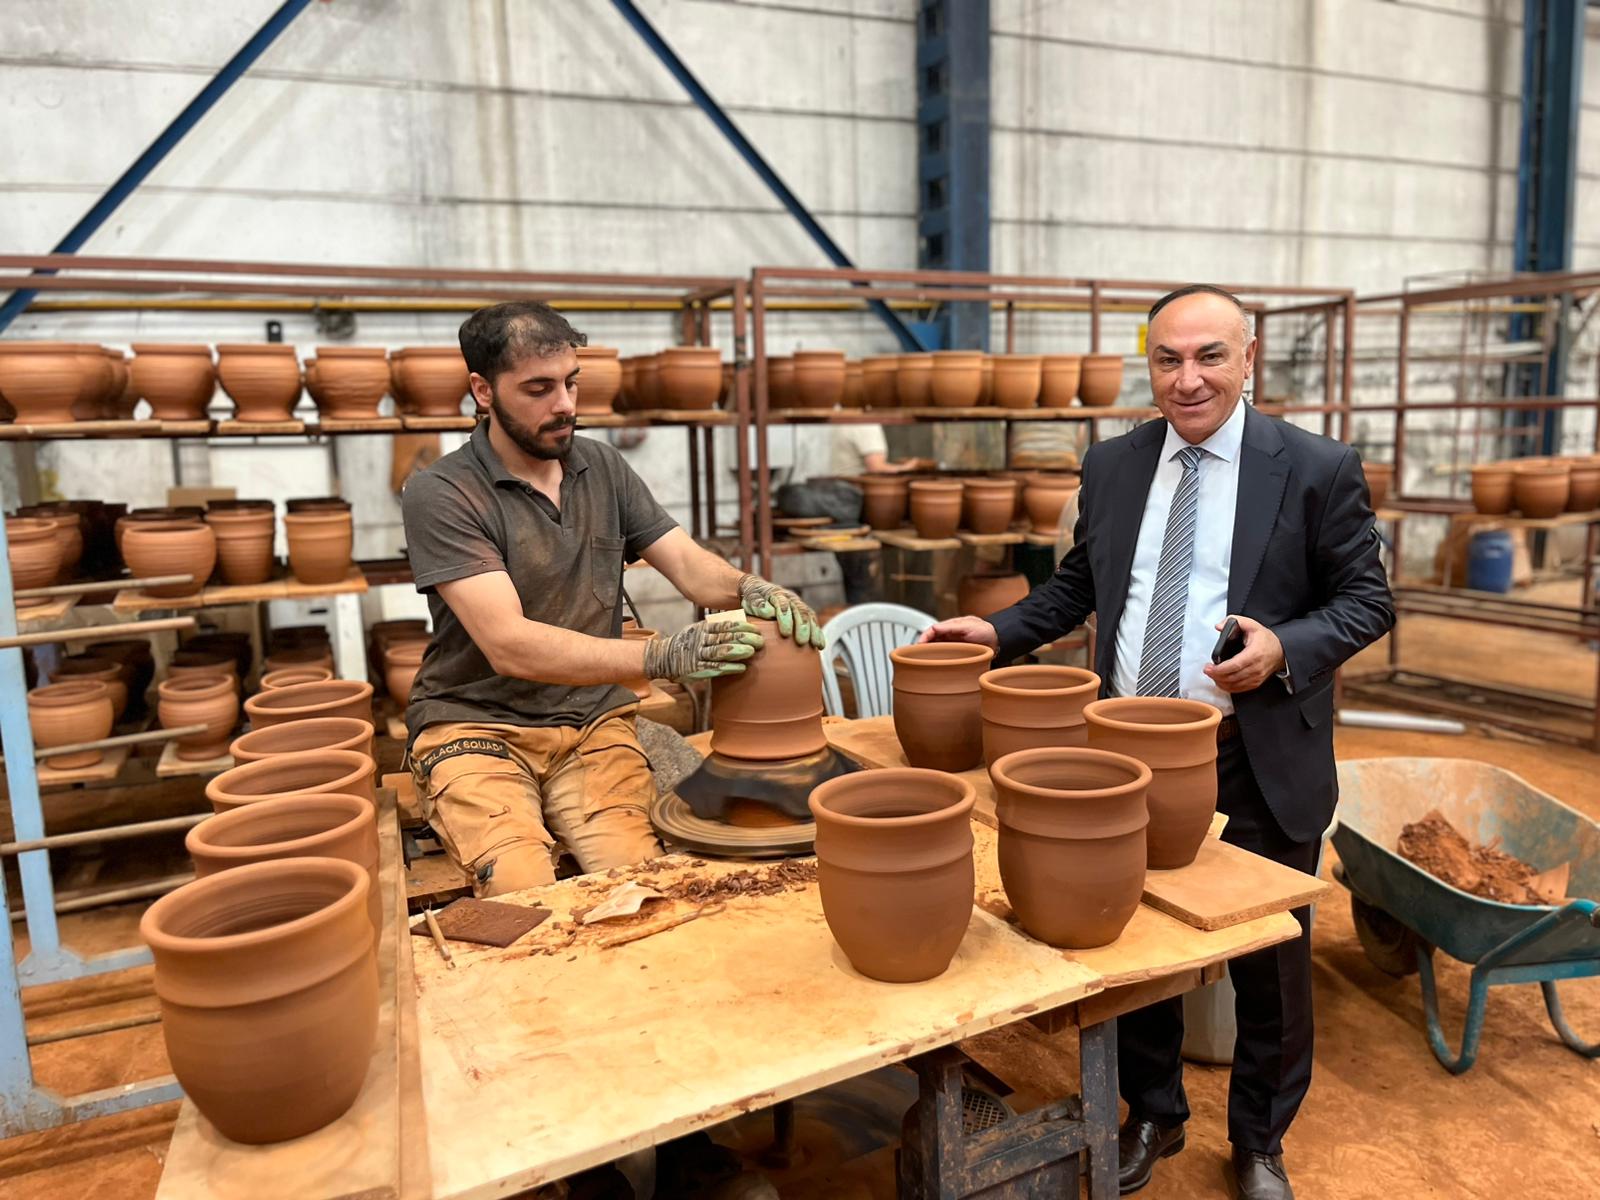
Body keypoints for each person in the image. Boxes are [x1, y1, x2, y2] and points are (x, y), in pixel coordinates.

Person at [920, 285, 1394, 1200]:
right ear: (1150, 365)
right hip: (1127, 756)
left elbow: (1366, 600)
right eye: (1168, 359)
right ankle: (1155, 1113)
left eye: (1210, 356)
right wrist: (999, 630)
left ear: (1249, 357)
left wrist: (1284, 648)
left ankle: (1259, 1141)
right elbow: (1081, 586)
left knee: (1271, 961)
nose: (1188, 379)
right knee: (1134, 947)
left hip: (1254, 754)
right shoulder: (1115, 464)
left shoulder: (1315, 467)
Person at [400, 301, 824, 898]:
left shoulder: (600, 466)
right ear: (484, 390)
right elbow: (508, 644)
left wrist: (749, 586)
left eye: (571, 383)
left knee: (641, 884)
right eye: (539, 389)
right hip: (476, 723)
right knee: (522, 888)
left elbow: (688, 565)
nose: (564, 404)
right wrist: (659, 656)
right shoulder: (443, 493)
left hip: (591, 722)